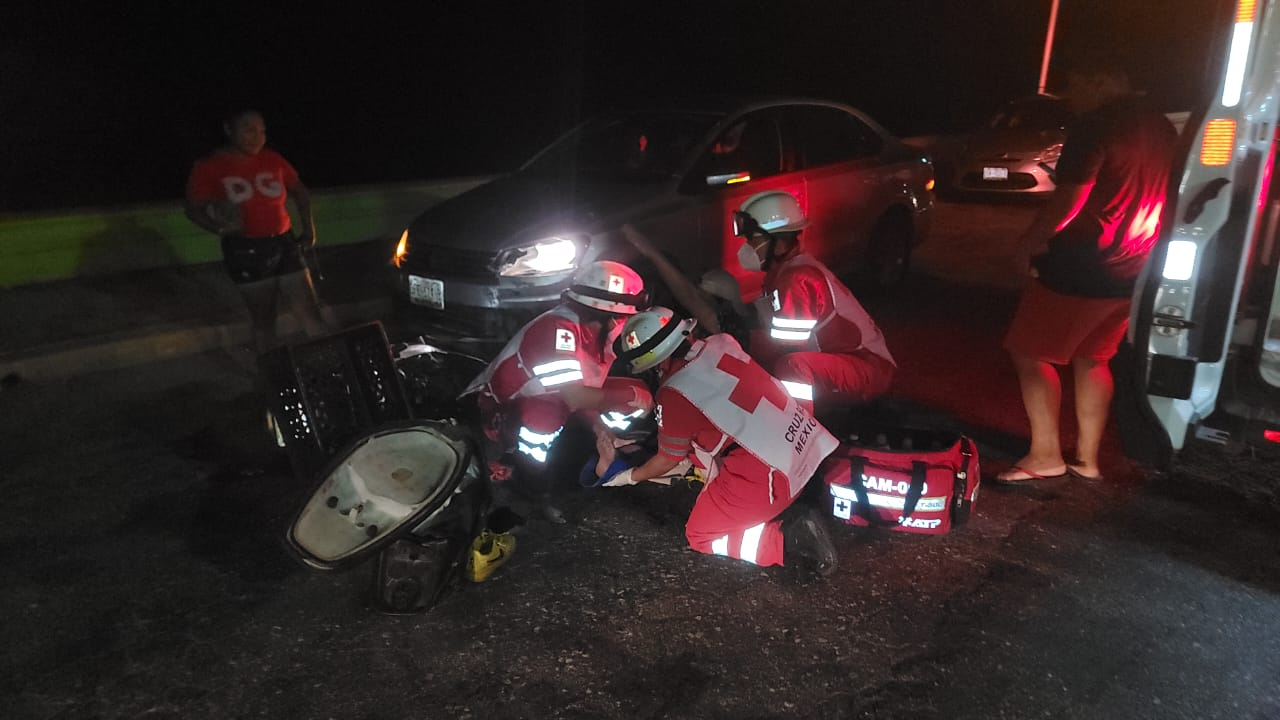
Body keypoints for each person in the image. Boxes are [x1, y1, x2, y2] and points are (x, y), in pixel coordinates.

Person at [997, 56, 1178, 484]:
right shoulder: (1161, 126)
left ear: (1101, 79)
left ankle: (1045, 455)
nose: (1072, 97)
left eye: (1076, 84)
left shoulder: (1096, 125)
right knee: (1093, 358)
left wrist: (1029, 242)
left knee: (1030, 351)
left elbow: (1070, 199)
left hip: (1080, 263)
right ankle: (1087, 459)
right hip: (1133, 264)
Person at [592, 306, 841, 577]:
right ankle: (787, 507)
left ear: (655, 363)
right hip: (807, 448)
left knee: (700, 533)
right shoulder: (721, 343)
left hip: (772, 478)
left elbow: (668, 459)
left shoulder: (674, 392)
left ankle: (789, 540)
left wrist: (629, 476)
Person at [461, 260, 655, 516]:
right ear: (608, 314)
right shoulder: (558, 330)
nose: (625, 325)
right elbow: (575, 397)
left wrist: (601, 428)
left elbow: (582, 395)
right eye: (624, 317)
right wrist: (629, 396)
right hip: (499, 411)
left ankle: (603, 446)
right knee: (546, 416)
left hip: (557, 400)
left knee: (632, 397)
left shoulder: (597, 335)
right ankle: (528, 472)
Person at [184, 109, 329, 358]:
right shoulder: (211, 166)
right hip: (246, 249)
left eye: (261, 131)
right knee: (265, 320)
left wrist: (308, 231)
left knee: (310, 312)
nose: (257, 137)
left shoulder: (273, 159)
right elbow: (193, 209)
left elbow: (300, 193)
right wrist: (218, 227)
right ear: (229, 130)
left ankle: (330, 365)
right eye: (248, 130)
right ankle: (272, 373)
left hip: (284, 242)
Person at [734, 190, 896, 412]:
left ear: (778, 242)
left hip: (866, 367)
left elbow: (786, 345)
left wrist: (739, 338)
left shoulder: (797, 278)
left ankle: (799, 431)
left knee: (791, 367)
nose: (747, 247)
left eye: (753, 240)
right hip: (850, 361)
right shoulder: (784, 271)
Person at [618, 223, 756, 348]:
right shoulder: (735, 323)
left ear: (717, 299)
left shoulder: (729, 328)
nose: (697, 290)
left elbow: (687, 294)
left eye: (701, 289)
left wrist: (648, 250)